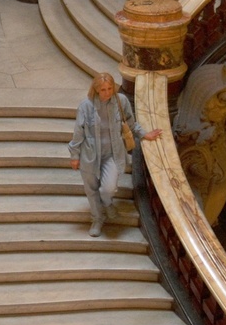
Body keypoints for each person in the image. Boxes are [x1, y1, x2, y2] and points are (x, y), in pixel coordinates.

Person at [67, 72, 159, 238]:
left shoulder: (121, 101)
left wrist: (144, 134)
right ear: (95, 90)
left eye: (110, 88)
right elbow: (78, 132)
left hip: (113, 154)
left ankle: (108, 203)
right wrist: (74, 155)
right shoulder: (86, 106)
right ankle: (97, 218)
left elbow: (130, 123)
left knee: (107, 188)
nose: (107, 92)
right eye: (103, 89)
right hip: (90, 156)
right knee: (91, 190)